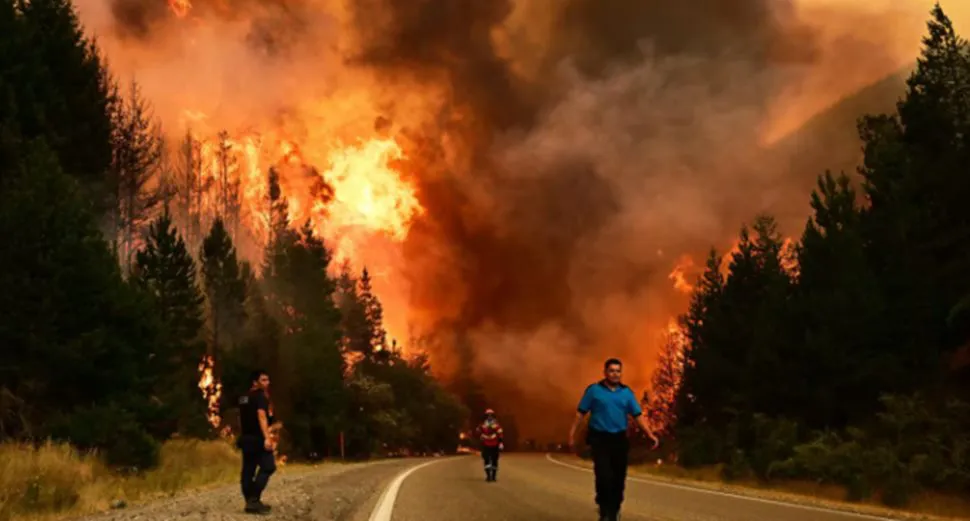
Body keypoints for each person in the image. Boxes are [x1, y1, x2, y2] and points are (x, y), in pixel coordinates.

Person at [568, 358, 659, 521]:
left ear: (621, 373)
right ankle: (603, 508)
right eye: (611, 371)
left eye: (618, 371)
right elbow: (580, 413)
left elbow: (638, 416)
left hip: (619, 439)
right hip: (600, 439)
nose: (615, 374)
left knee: (618, 477)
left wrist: (649, 434)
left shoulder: (626, 393)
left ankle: (614, 509)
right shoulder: (594, 391)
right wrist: (572, 433)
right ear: (605, 372)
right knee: (603, 475)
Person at [237, 370, 277, 515]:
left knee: (248, 469)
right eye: (264, 380)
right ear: (255, 382)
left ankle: (251, 502)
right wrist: (267, 437)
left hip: (246, 438)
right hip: (258, 438)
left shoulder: (243, 398)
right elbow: (261, 416)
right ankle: (254, 499)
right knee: (268, 466)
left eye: (268, 380)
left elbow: (240, 418)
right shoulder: (260, 397)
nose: (267, 383)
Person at [476, 408, 504, 482]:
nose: (489, 416)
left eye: (491, 415)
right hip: (485, 445)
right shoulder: (482, 425)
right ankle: (488, 476)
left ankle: (494, 476)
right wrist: (481, 435)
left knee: (495, 460)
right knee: (486, 460)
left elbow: (500, 434)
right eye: (488, 415)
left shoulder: (497, 425)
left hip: (495, 445)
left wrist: (501, 443)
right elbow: (478, 432)